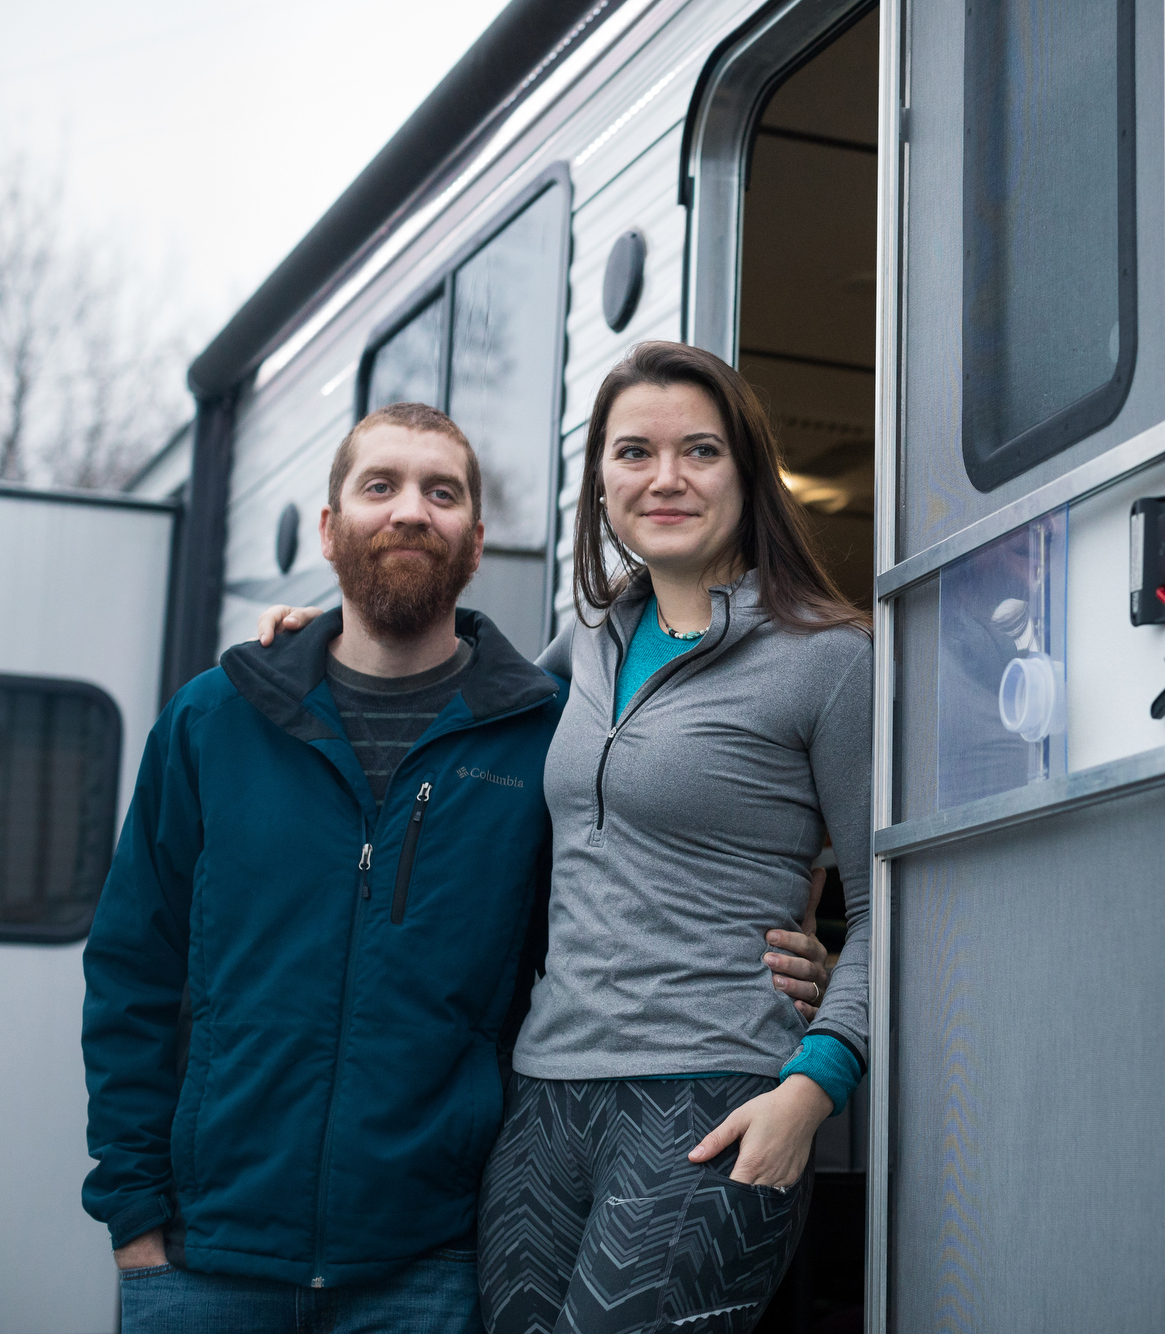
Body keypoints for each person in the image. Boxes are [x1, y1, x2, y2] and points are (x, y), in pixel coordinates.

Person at [82, 400, 829, 1333]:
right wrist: (133, 1212)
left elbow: (647, 870)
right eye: (379, 486)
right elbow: (130, 971)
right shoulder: (215, 721)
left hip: (428, 1267)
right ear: (329, 527)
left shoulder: (542, 732)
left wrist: (805, 948)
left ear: (475, 545)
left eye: (441, 494)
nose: (408, 512)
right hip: (204, 1259)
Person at [256, 342, 874, 1332]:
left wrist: (813, 1085)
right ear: (598, 484)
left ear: (748, 475)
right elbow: (443, 704)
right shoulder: (583, 639)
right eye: (633, 452)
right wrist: (327, 642)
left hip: (712, 1089)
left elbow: (896, 908)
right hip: (544, 1097)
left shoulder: (827, 660)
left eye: (699, 451)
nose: (664, 478)